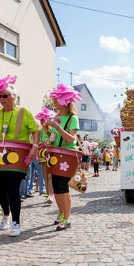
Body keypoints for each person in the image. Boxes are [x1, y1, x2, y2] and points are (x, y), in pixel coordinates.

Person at [0, 75, 39, 237]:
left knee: (13, 190)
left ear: (14, 97)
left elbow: (35, 131)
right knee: (1, 192)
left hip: (18, 157)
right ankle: (6, 214)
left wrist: (35, 147)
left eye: (5, 96)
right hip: (0, 158)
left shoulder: (24, 112)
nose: (1, 99)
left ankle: (16, 223)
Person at [43, 83, 81, 231]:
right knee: (57, 187)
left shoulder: (73, 118)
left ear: (65, 101)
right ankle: (61, 213)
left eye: (57, 100)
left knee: (63, 187)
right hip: (56, 155)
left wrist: (57, 127)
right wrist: (47, 133)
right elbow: (54, 137)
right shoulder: (57, 117)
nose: (54, 103)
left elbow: (71, 139)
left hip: (67, 156)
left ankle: (67, 218)